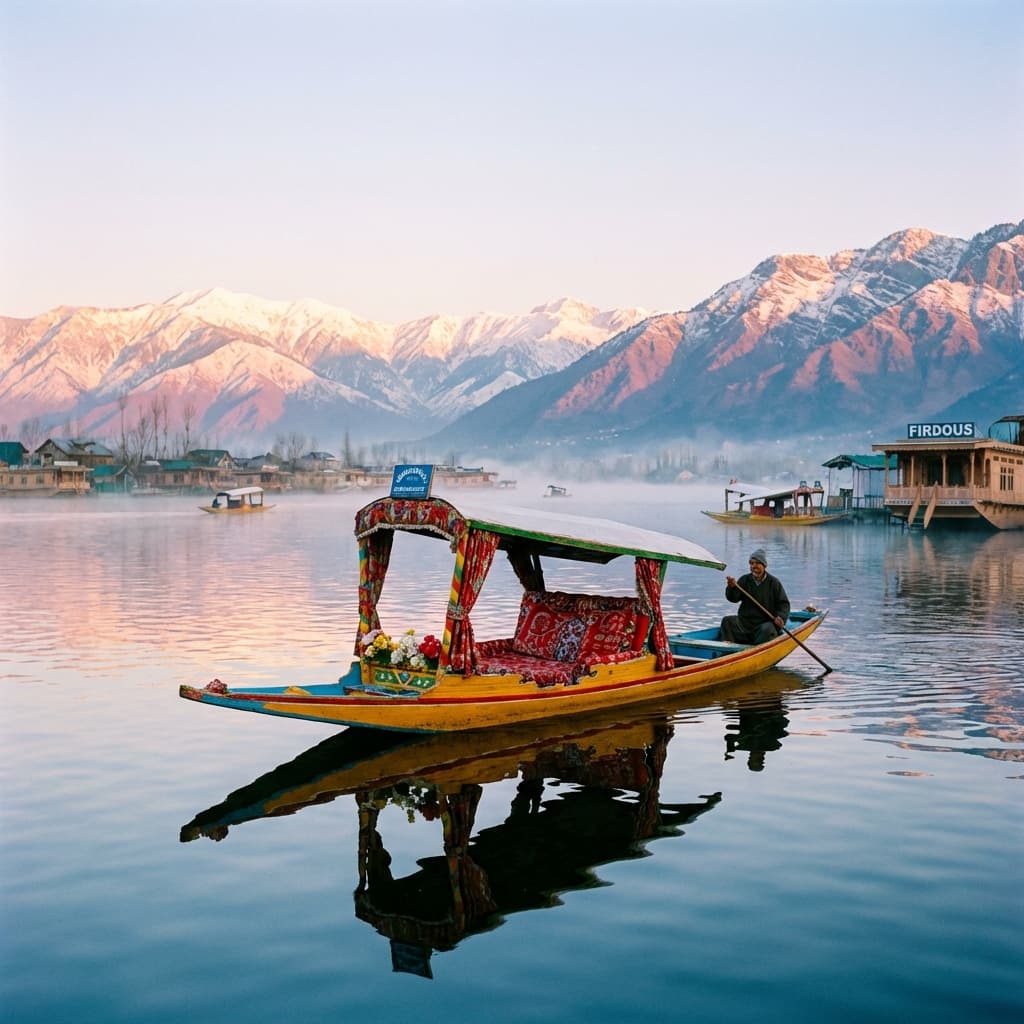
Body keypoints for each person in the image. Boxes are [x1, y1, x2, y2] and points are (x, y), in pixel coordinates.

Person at [720, 548, 790, 645]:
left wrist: (781, 617)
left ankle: (756, 648)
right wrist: (731, 587)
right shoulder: (744, 580)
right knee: (727, 621)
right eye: (752, 563)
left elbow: (784, 604)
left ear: (764, 565)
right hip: (744, 623)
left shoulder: (774, 583)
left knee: (768, 629)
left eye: (757, 563)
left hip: (763, 624)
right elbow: (733, 599)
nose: (754, 566)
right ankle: (728, 648)